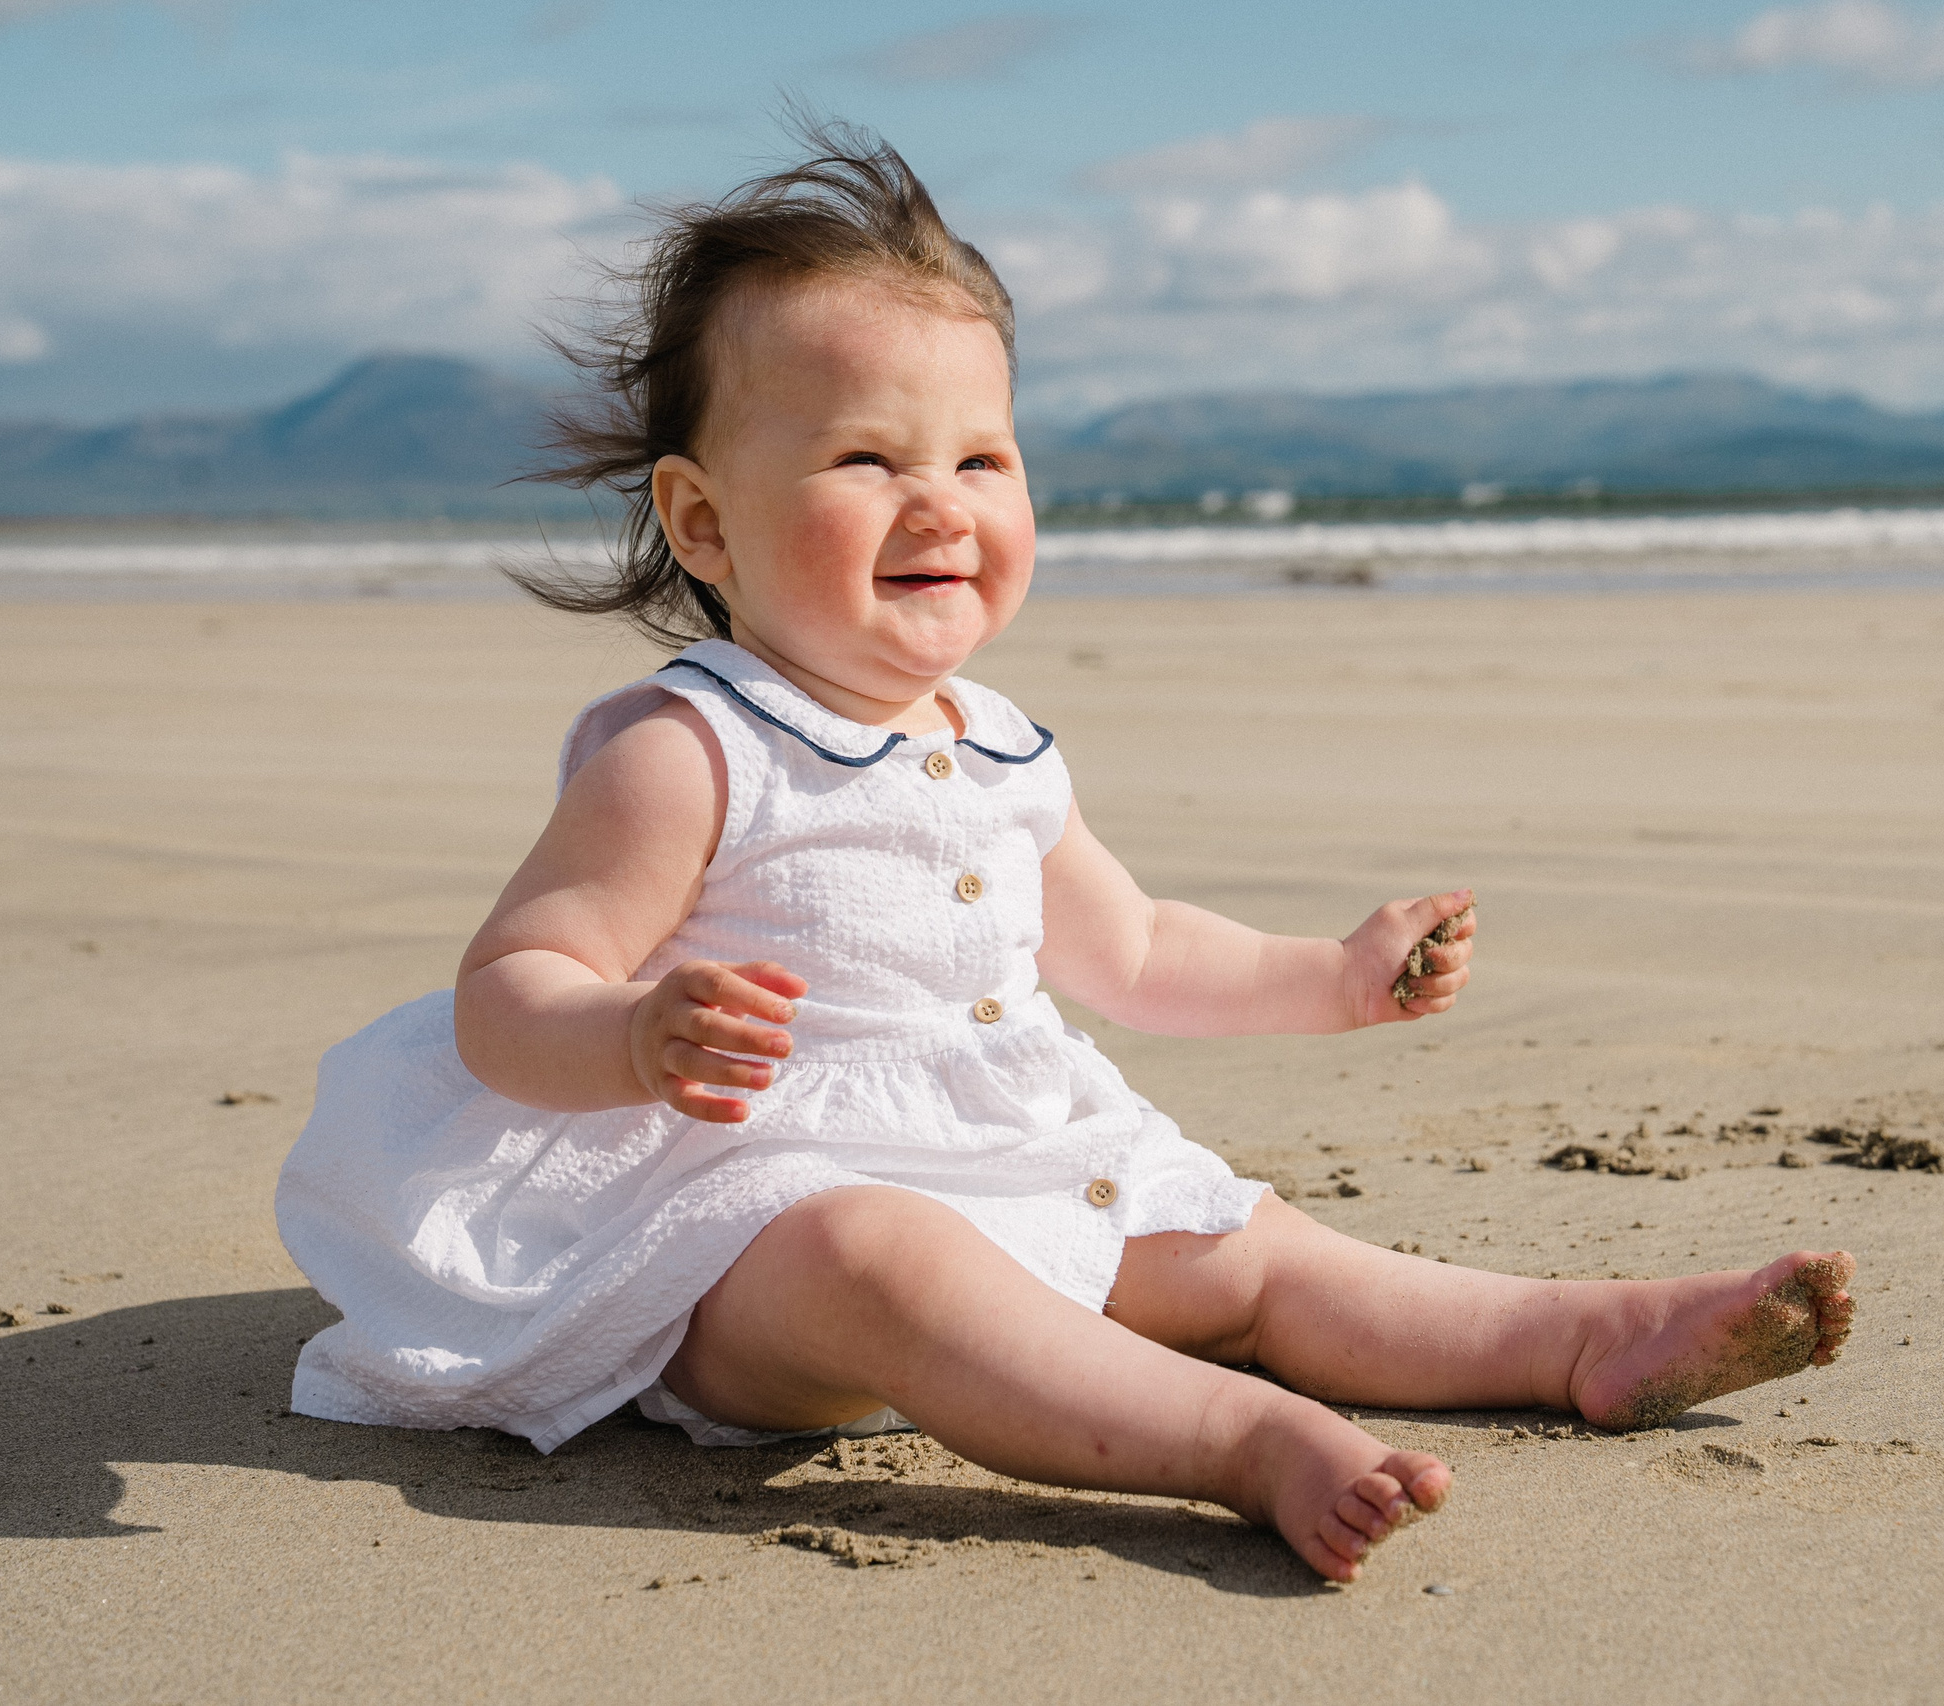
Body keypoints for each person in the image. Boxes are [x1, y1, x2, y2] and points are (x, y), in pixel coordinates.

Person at [275, 124, 1855, 1583]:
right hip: (741, 1234)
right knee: (882, 1254)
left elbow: (1140, 949)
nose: (938, 503)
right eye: (866, 460)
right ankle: (1237, 1440)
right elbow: (512, 984)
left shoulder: (1001, 745)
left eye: (982, 459)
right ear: (703, 523)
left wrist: (1334, 976)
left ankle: (1584, 1334)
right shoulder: (688, 748)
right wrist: (630, 1034)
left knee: (1251, 1249)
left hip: (1011, 1152)